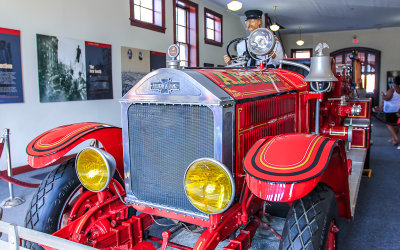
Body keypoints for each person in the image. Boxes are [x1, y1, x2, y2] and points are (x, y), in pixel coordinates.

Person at [381, 75, 400, 145]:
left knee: (388, 124)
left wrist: (383, 95)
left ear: (394, 82)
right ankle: (394, 139)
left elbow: (387, 98)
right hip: (398, 109)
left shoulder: (392, 90)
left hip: (390, 109)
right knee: (396, 124)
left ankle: (396, 138)